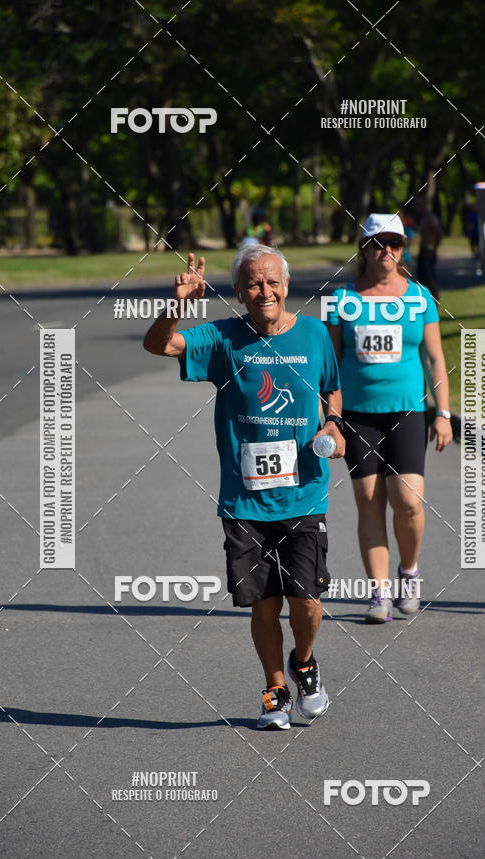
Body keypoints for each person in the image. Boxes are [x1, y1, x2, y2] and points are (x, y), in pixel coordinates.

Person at [143, 245, 345, 728]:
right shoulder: (223, 338)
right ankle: (276, 688)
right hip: (243, 500)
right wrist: (177, 307)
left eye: (272, 281)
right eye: (253, 283)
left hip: (304, 493)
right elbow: (158, 345)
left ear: (286, 286)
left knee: (307, 602)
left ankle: (305, 662)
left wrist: (333, 426)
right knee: (263, 604)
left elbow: (331, 388)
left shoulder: (315, 334)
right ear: (238, 291)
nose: (264, 291)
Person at [326, 213, 452, 623]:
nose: (387, 251)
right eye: (378, 243)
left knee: (408, 501)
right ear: (363, 248)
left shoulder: (420, 298)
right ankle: (378, 594)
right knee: (368, 502)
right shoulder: (341, 300)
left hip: (408, 411)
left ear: (404, 248)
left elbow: (435, 358)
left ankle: (409, 572)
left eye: (395, 243)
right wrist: (330, 417)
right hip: (357, 416)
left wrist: (444, 413)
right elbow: (330, 364)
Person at [415, 199, 444, 301]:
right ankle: (426, 302)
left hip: (428, 252)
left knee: (430, 279)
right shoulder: (424, 218)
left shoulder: (430, 218)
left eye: (418, 206)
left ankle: (435, 303)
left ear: (424, 206)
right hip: (424, 251)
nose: (417, 209)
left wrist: (434, 248)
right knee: (422, 280)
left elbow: (439, 233)